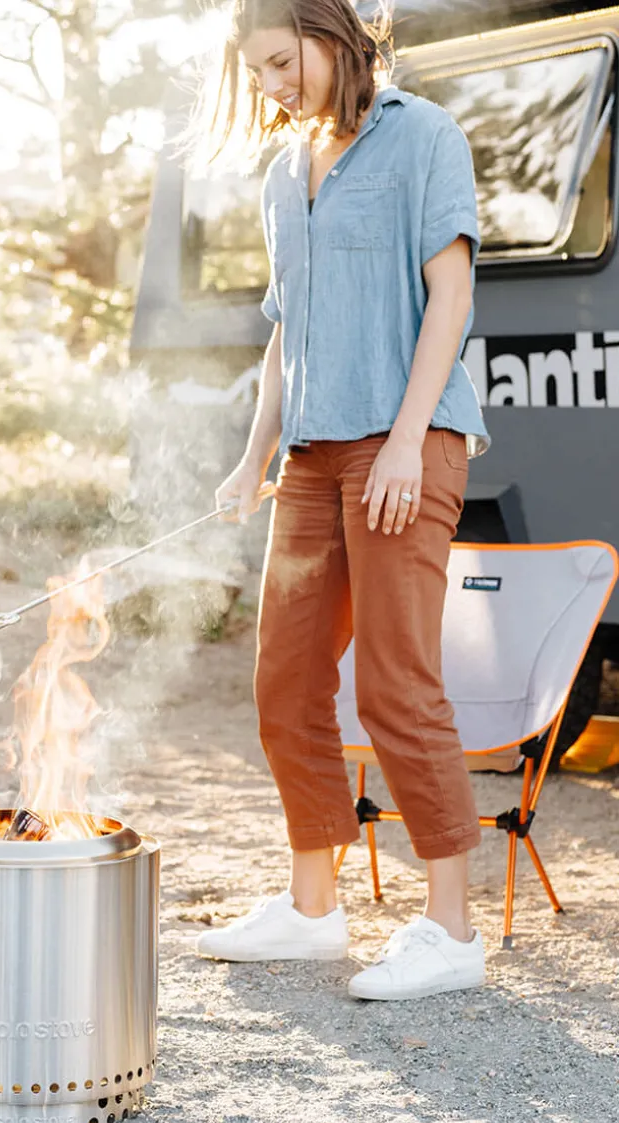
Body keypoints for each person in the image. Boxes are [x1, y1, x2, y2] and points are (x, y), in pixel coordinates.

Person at [193, 0, 490, 1000]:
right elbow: (288, 327)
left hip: (405, 442)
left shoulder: (423, 135)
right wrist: (252, 457)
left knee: (396, 684)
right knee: (284, 680)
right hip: (311, 458)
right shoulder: (285, 172)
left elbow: (449, 295)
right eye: (257, 74)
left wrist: (408, 438)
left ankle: (450, 930)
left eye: (283, 63)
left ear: (331, 37)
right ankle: (313, 908)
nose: (272, 88)